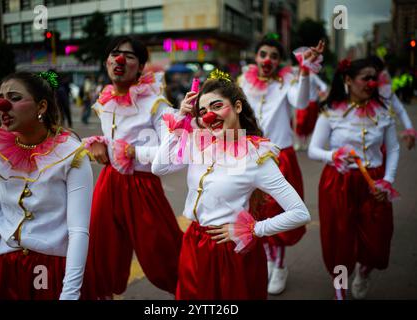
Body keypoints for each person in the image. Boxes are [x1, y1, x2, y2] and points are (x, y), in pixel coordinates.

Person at [152, 70, 310, 299]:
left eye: (217, 106)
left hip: (230, 252)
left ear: (237, 107)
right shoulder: (199, 143)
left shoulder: (255, 157)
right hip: (194, 244)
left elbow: (300, 213)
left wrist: (253, 229)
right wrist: (179, 121)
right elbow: (159, 168)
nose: (208, 116)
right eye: (203, 111)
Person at [0, 71, 93, 300]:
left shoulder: (71, 155)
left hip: (52, 269)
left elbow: (78, 231)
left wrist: (70, 294)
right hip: (6, 268)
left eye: (14, 98)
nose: (2, 105)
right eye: (1, 97)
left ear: (41, 107)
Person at [81, 36, 183, 299]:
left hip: (143, 186)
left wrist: (135, 152)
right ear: (106, 61)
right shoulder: (104, 102)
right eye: (115, 53)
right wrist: (99, 143)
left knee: (162, 252)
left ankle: (190, 295)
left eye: (129, 56)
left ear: (140, 67)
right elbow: (113, 138)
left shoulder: (155, 104)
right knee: (100, 250)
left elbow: (174, 152)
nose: (119, 59)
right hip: (109, 181)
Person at [308, 58, 400, 300]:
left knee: (377, 238)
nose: (371, 83)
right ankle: (340, 290)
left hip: (375, 183)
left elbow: (394, 149)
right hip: (338, 183)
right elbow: (313, 150)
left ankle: (365, 271)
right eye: (365, 78)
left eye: (374, 78)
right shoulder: (331, 112)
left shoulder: (383, 112)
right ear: (348, 80)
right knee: (339, 240)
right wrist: (333, 155)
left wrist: (387, 181)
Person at [238, 38, 324, 295]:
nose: (267, 60)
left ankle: (280, 264)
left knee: (278, 214)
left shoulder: (288, 80)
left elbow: (300, 102)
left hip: (280, 157)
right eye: (263, 54)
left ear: (279, 61)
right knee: (254, 213)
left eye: (274, 56)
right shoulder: (243, 82)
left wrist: (305, 70)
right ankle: (266, 260)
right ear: (255, 57)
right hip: (248, 156)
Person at [369, 55, 416, 150]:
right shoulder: (359, 91)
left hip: (383, 137)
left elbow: (400, 109)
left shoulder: (385, 89)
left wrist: (409, 129)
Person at [294, 72, 328, 151]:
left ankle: (306, 142)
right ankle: (299, 142)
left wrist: (321, 92)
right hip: (301, 102)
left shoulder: (312, 76)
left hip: (312, 102)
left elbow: (323, 85)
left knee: (310, 123)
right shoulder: (299, 75)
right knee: (300, 122)